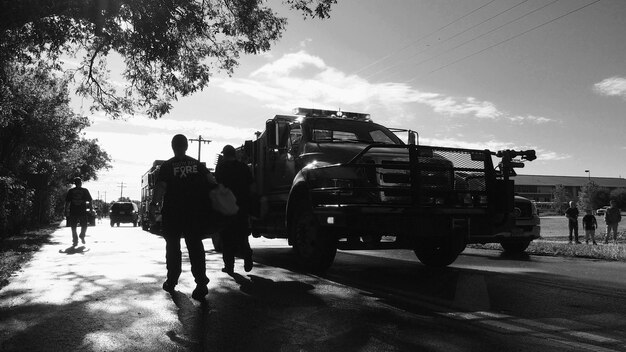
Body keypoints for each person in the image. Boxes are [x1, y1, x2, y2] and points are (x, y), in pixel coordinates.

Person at [151, 134, 216, 301]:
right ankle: (201, 283)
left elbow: (161, 188)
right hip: (194, 213)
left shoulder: (167, 166)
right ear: (186, 146)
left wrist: (154, 206)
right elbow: (212, 182)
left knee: (173, 247)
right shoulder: (197, 164)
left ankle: (172, 280)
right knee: (195, 246)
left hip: (173, 213)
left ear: (173, 146)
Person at [215, 144, 255, 274]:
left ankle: (229, 266)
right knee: (242, 234)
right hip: (242, 206)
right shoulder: (243, 167)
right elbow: (252, 185)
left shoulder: (221, 168)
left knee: (227, 237)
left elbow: (217, 185)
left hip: (226, 207)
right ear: (234, 154)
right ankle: (247, 255)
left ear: (225, 155)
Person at [64, 177, 93, 246]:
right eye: (78, 182)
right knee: (77, 226)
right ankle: (76, 239)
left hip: (79, 210)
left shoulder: (84, 191)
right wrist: (66, 210)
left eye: (79, 182)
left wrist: (66, 210)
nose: (78, 184)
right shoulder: (71, 191)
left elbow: (90, 200)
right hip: (76, 210)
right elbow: (67, 201)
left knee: (79, 225)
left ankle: (80, 237)